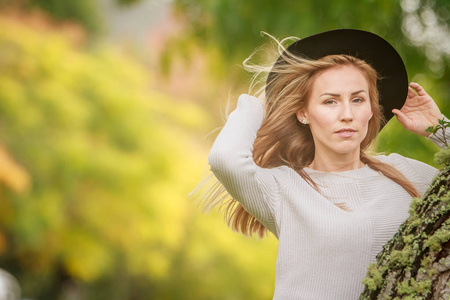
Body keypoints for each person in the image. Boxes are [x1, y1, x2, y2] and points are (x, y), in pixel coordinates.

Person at [203, 29, 447, 299]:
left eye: (358, 100)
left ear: (371, 109)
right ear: (304, 112)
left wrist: (440, 128)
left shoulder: (405, 173)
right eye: (330, 101)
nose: (347, 115)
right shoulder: (282, 188)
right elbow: (224, 158)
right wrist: (268, 100)